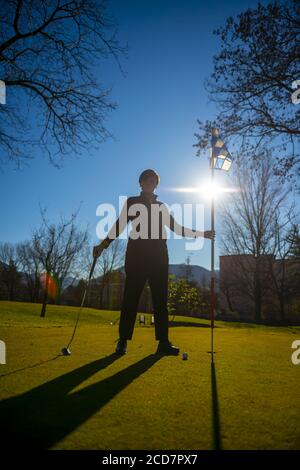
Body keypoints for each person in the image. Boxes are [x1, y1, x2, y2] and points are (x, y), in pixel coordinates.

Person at [93, 169, 215, 356]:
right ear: (141, 183)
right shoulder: (132, 202)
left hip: (159, 256)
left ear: (156, 184)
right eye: (146, 180)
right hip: (136, 256)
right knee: (130, 300)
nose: (150, 183)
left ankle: (163, 343)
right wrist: (103, 244)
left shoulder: (162, 206)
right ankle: (123, 341)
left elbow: (178, 228)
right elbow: (119, 225)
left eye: (153, 181)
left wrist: (202, 234)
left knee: (160, 301)